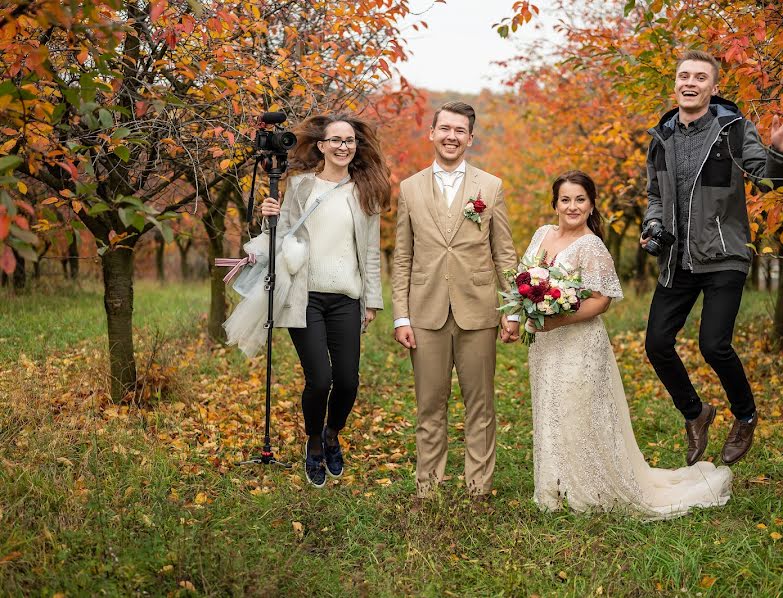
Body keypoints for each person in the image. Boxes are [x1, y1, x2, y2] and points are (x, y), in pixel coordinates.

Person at [528, 170, 732, 519]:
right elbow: (526, 277)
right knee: (550, 406)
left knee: (579, 410)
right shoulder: (542, 235)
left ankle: (589, 487)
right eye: (565, 199)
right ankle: (555, 483)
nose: (572, 206)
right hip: (546, 344)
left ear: (591, 204)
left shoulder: (591, 245)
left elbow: (601, 301)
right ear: (555, 203)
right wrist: (521, 312)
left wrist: (556, 319)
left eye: (580, 199)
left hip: (578, 343)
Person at [642, 50, 783, 467]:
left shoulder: (732, 129)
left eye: (699, 77)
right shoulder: (661, 137)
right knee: (657, 344)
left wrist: (780, 152)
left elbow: (767, 183)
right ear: (675, 84)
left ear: (713, 87)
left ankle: (745, 415)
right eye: (683, 76)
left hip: (723, 254)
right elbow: (655, 196)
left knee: (713, 345)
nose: (689, 82)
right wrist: (652, 228)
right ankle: (696, 414)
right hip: (677, 258)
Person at [251, 114, 390, 487]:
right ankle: (313, 441)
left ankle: (332, 433)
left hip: (346, 297)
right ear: (322, 146)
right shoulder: (299, 186)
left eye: (350, 141)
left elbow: (371, 252)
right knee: (320, 380)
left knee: (347, 381)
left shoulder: (365, 190)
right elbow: (282, 237)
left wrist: (372, 300)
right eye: (336, 140)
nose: (344, 146)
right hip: (306, 296)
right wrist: (269, 217)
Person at [391, 101, 519, 499]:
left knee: (480, 406)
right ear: (431, 133)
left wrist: (512, 308)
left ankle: (478, 488)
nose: (451, 136)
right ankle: (427, 488)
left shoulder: (490, 186)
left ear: (470, 138)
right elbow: (403, 256)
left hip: (478, 311)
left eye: (460, 131)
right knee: (430, 406)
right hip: (426, 312)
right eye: (444, 128)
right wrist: (401, 316)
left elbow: (505, 253)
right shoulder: (410, 188)